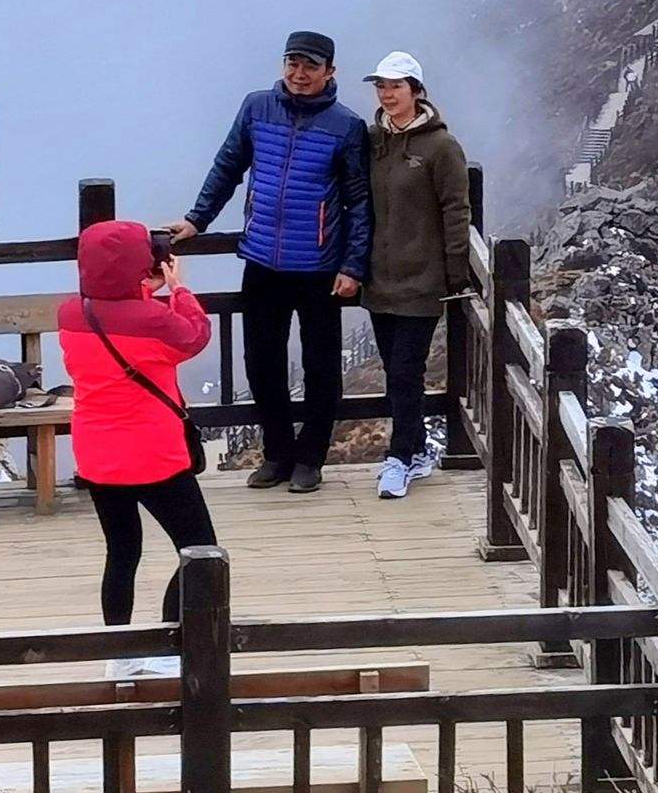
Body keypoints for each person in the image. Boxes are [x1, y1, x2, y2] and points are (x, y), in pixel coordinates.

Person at [169, 30, 370, 494]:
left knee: (321, 367)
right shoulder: (256, 107)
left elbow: (359, 201)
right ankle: (277, 454)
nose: (299, 74)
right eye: (292, 63)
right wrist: (197, 219)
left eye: (311, 66)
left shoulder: (347, 125)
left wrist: (353, 266)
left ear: (330, 72)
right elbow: (228, 165)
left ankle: (311, 460)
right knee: (261, 363)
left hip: (320, 265)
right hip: (262, 260)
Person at [56, 219, 215, 669]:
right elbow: (194, 334)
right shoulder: (155, 321)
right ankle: (170, 643)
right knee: (200, 550)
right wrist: (178, 289)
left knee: (123, 551)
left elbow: (118, 315)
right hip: (153, 455)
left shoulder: (71, 315)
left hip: (97, 454)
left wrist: (141, 288)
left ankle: (119, 653)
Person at [361, 49, 471, 500]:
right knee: (395, 370)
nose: (387, 94)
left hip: (422, 280)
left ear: (416, 91)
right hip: (379, 279)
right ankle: (419, 449)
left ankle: (400, 457)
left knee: (406, 371)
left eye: (396, 86)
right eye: (381, 86)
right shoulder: (373, 141)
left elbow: (456, 209)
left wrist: (456, 272)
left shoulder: (441, 147)